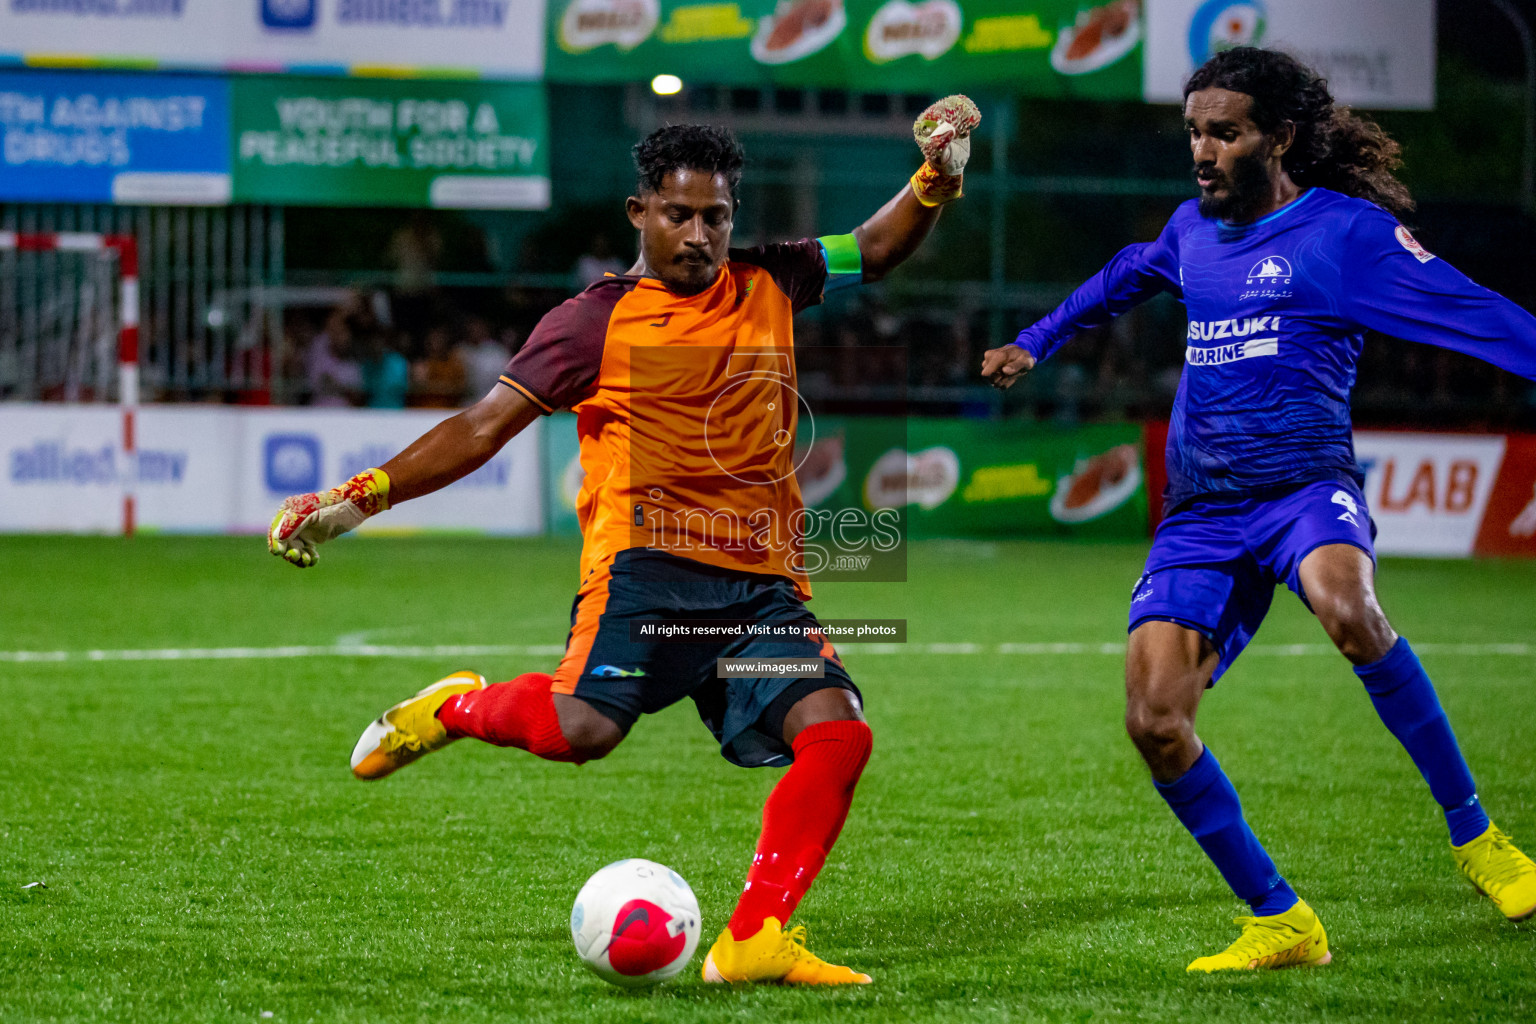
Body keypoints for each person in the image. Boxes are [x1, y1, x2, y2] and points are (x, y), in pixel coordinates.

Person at [267, 103, 979, 985]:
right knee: (582, 731)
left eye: (716, 216)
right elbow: (483, 426)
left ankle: (754, 939)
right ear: (639, 212)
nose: (699, 234)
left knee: (835, 733)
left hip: (759, 592)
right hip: (646, 574)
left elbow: (873, 248)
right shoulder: (592, 323)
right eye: (678, 214)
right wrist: (357, 496)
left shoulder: (773, 278)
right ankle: (454, 709)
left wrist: (934, 180)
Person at [983, 47, 1536, 971]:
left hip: (1302, 489)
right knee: (1154, 721)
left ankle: (1480, 841)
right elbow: (1124, 272)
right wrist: (1035, 340)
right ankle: (1280, 918)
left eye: (1224, 133)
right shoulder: (1191, 233)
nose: (1202, 150)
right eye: (1194, 131)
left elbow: (1474, 312)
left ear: (1278, 137)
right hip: (1201, 513)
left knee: (1349, 608)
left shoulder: (1344, 236)